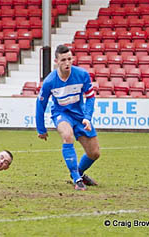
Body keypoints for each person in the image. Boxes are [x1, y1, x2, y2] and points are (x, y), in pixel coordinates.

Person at [35, 45, 100, 191]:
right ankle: (77, 178)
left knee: (94, 153)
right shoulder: (50, 81)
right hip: (61, 114)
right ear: (56, 61)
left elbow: (90, 97)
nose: (67, 63)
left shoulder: (82, 75)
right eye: (63, 60)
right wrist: (41, 128)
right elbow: (40, 104)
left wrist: (87, 117)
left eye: (69, 59)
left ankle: (79, 173)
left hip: (80, 116)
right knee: (67, 135)